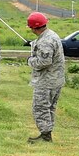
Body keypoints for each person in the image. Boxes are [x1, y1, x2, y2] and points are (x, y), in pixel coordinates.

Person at [26, 12, 65, 143]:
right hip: (56, 79)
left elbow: (44, 62)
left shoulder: (45, 41)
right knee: (50, 108)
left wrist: (30, 60)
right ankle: (47, 133)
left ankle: (45, 135)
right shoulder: (51, 35)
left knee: (40, 108)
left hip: (46, 81)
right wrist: (33, 45)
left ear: (33, 28)